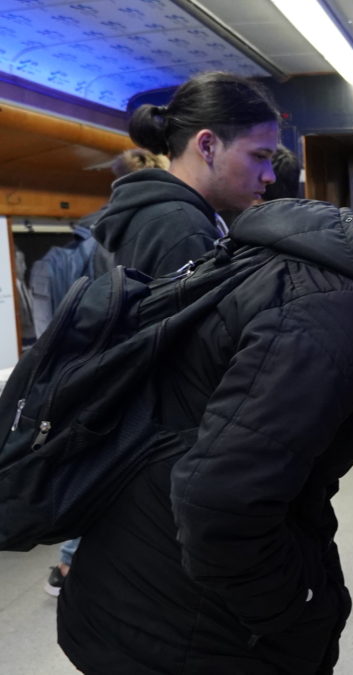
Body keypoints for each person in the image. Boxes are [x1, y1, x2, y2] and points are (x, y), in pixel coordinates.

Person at [57, 169, 353, 674]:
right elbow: (218, 503)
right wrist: (296, 613)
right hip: (174, 622)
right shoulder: (341, 319)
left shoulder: (341, 277)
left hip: (150, 583)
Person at [41, 148, 170, 598]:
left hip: (101, 364)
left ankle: (72, 561)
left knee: (101, 459)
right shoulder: (165, 225)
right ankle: (72, 561)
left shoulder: (99, 232)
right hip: (136, 364)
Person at [93, 71, 280, 278]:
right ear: (207, 146)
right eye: (259, 156)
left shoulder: (160, 214)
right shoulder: (184, 230)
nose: (269, 176)